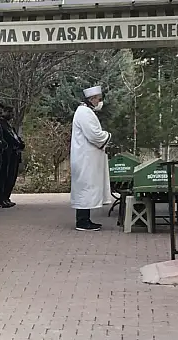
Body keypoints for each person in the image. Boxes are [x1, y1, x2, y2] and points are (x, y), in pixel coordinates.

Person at [70, 85, 112, 231]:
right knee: (85, 188)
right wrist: (107, 136)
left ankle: (85, 219)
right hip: (85, 159)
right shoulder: (84, 112)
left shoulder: (84, 111)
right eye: (98, 99)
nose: (100, 102)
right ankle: (82, 221)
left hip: (86, 158)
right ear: (92, 99)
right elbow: (94, 135)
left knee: (86, 188)